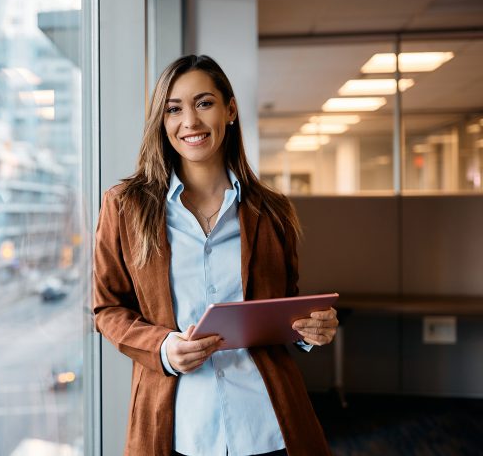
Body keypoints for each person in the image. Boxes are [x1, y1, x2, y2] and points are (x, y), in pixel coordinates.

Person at [92, 55, 339, 456]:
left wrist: (310, 331)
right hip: (178, 429)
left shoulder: (271, 211)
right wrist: (163, 347)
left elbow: (283, 306)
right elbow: (107, 308)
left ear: (230, 110)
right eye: (174, 109)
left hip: (266, 426)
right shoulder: (125, 206)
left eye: (204, 103)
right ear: (162, 121)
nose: (190, 121)